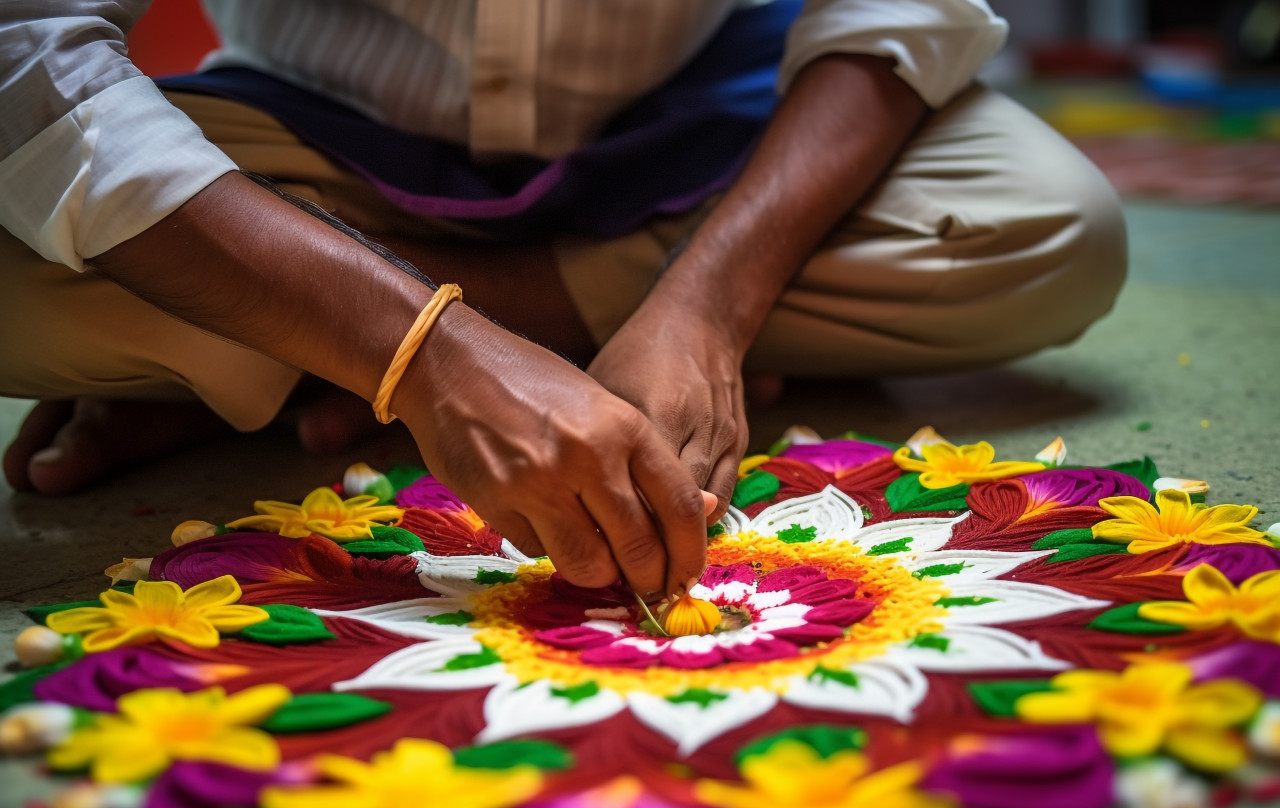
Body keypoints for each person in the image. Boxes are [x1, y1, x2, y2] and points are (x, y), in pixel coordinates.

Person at [0, 1, 1127, 601]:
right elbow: (30, 57)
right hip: (311, 127)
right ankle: (347, 321)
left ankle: (272, 341)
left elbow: (901, 10)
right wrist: (427, 353)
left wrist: (711, 303)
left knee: (1041, 228)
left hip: (695, 117)